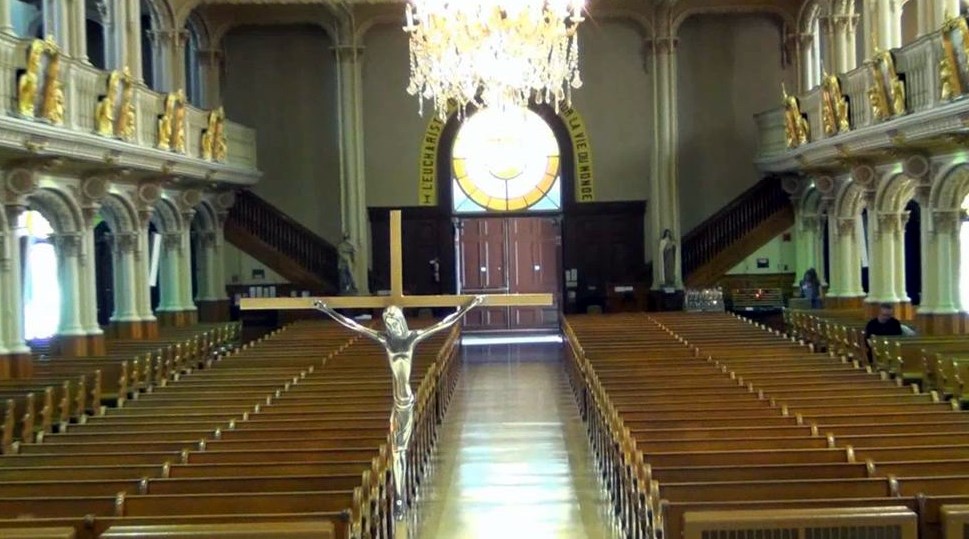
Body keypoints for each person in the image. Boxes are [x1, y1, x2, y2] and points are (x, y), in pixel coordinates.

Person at [314, 295, 485, 518]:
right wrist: (327, 310)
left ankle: (400, 498)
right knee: (396, 452)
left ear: (401, 321)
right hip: (396, 404)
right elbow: (354, 325)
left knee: (399, 452)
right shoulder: (386, 340)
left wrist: (469, 306)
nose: (391, 325)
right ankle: (399, 497)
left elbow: (445, 323)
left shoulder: (411, 338)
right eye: (388, 322)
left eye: (394, 321)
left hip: (405, 404)